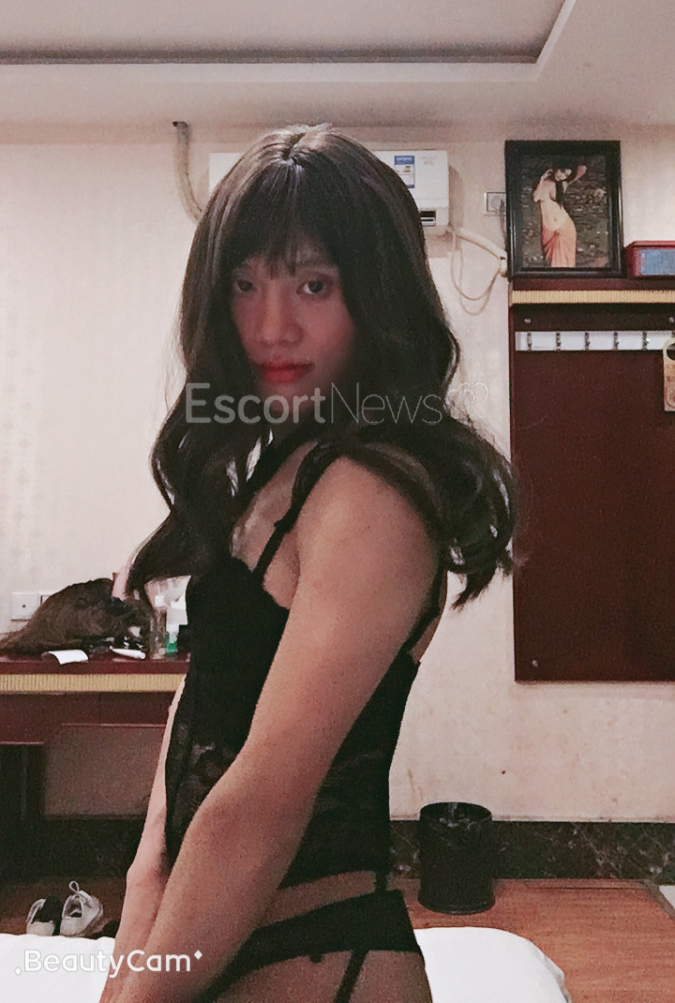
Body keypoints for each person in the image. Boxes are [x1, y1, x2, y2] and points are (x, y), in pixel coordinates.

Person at [101, 125, 515, 1003]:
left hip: (317, 957)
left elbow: (261, 804)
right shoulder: (285, 462)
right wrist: (144, 896)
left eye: (313, 285)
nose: (270, 326)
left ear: (378, 297)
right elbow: (208, 695)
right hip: (216, 934)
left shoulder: (368, 495)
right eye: (245, 284)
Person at [532, 164, 587, 268]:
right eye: (562, 172)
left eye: (566, 175)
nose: (562, 176)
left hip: (565, 226)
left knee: (564, 264)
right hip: (549, 226)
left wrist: (570, 171)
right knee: (550, 263)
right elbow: (535, 198)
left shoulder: (562, 184)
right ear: (555, 167)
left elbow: (582, 169)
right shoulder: (543, 183)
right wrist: (542, 178)